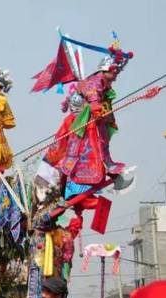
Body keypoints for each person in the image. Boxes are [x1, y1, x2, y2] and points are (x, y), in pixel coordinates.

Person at [43, 46, 132, 199]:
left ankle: (113, 177)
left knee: (101, 151)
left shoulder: (104, 84)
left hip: (95, 124)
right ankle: (64, 188)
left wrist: (105, 117)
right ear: (106, 69)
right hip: (84, 125)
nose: (117, 74)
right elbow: (93, 97)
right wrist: (97, 110)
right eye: (115, 71)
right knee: (79, 154)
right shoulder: (95, 82)